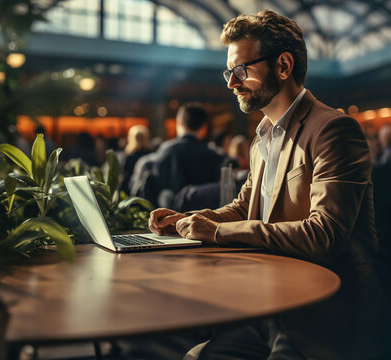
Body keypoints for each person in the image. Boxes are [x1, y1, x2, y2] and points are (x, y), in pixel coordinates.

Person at [149, 10, 390, 360]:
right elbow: (244, 208)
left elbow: (325, 235)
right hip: (270, 305)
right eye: (228, 73)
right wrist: (190, 220)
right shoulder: (262, 135)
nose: (231, 83)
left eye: (241, 71)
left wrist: (216, 232)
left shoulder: (334, 130)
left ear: (283, 66)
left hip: (325, 319)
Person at [130, 103, 223, 207]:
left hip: (167, 218)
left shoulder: (164, 151)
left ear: (179, 123)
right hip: (202, 219)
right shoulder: (214, 156)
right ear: (204, 127)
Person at [119, 125, 152, 194]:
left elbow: (124, 176)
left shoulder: (128, 156)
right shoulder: (151, 155)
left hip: (131, 191)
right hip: (147, 192)